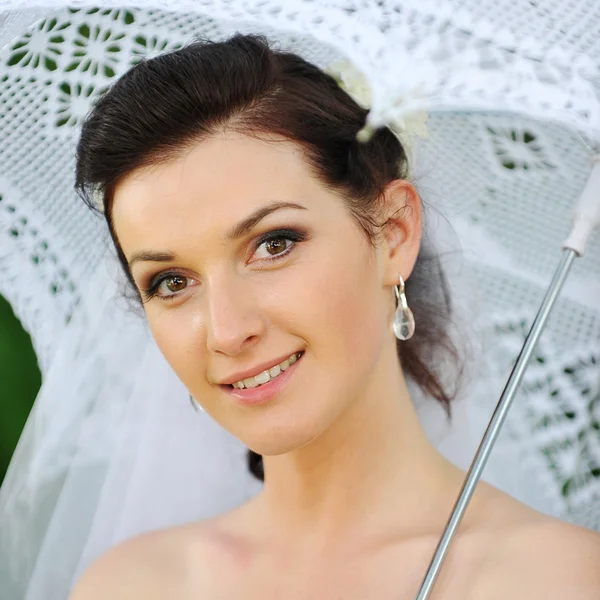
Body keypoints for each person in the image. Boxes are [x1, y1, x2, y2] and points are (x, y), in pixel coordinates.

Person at [69, 34, 600, 599]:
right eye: (171, 283)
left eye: (273, 244)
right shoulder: (130, 586)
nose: (226, 331)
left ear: (393, 233)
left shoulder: (563, 580)